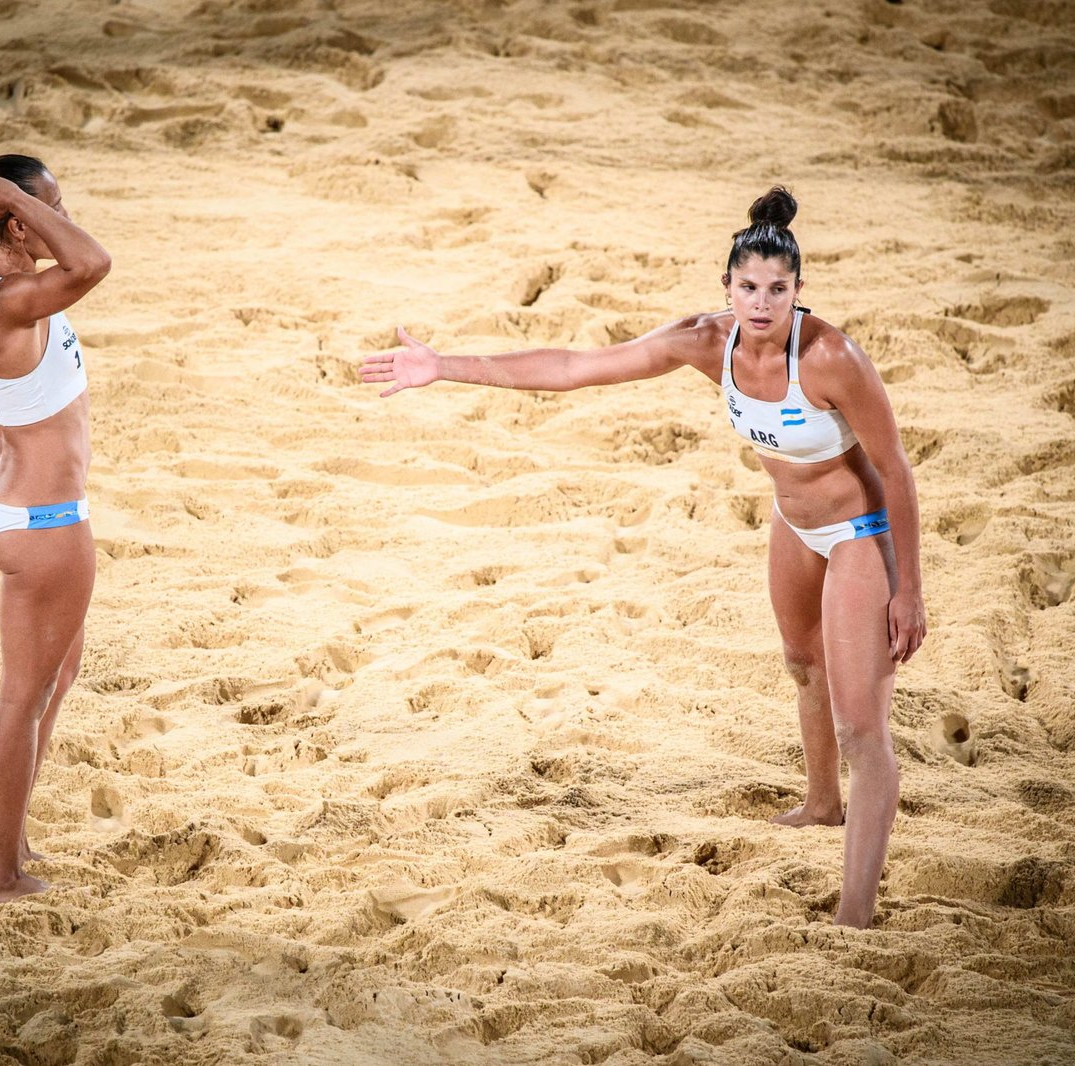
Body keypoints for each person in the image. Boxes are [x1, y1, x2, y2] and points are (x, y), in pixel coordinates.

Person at [360, 187, 925, 928]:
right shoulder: (703, 341)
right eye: (748, 288)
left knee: (862, 728)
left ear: (798, 291)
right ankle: (822, 804)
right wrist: (444, 366)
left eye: (777, 290)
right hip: (792, 522)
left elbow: (898, 468)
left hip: (860, 530)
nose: (761, 304)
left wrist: (907, 588)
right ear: (727, 289)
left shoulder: (831, 358)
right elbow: (573, 366)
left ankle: (857, 913)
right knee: (801, 662)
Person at [0, 154, 111, 902]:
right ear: (14, 220)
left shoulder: (6, 283)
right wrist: (10, 199)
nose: (61, 220)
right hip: (42, 526)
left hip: (29, 509)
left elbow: (63, 253)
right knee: (23, 695)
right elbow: (94, 260)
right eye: (48, 208)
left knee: (52, 680)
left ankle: (13, 837)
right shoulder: (7, 301)